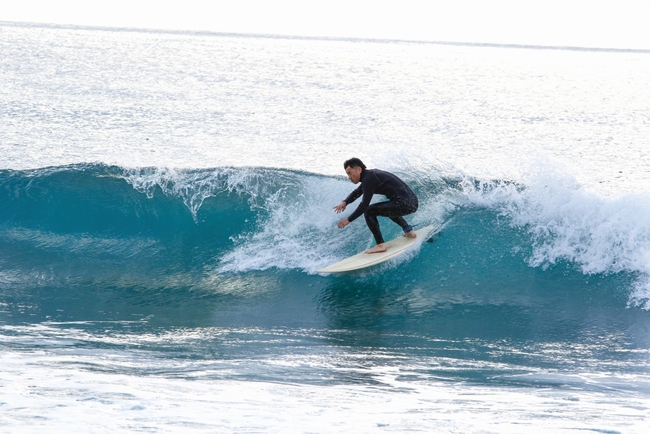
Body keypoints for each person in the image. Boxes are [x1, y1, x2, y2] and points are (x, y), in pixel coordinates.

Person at [334, 157, 419, 254]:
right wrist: (345, 202)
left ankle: (380, 245)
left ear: (359, 169)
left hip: (405, 203)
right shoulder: (369, 176)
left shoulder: (369, 179)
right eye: (347, 174)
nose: (349, 176)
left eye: (349, 173)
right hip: (412, 202)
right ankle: (409, 231)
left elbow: (364, 205)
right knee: (388, 209)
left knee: (369, 211)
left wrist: (348, 220)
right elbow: (358, 191)